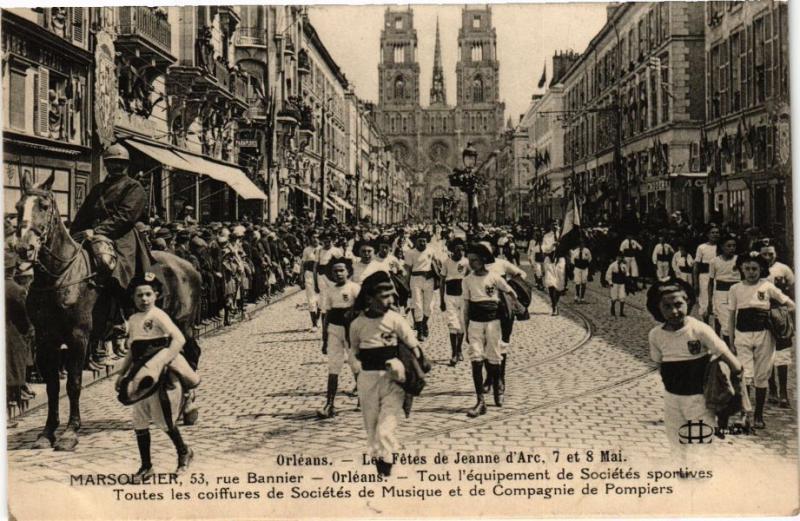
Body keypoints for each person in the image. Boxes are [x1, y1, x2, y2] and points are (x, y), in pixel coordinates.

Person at [70, 142, 151, 365]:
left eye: (120, 164)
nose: (115, 167)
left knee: (112, 270)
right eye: (112, 163)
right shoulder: (97, 189)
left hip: (121, 237)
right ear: (106, 164)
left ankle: (117, 318)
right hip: (92, 235)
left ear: (126, 165)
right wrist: (73, 233)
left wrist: (96, 231)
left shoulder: (133, 188)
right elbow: (83, 213)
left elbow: (126, 217)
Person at [115, 272, 198, 479]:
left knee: (164, 418)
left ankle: (184, 451)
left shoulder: (158, 315)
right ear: (133, 298)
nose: (144, 299)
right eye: (139, 295)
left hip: (159, 375)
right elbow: (132, 350)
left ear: (156, 295)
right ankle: (146, 466)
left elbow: (178, 339)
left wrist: (163, 360)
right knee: (139, 419)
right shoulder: (133, 319)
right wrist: (121, 374)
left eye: (148, 294)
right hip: (139, 372)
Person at [647, 279, 742, 454]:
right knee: (676, 447)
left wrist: (731, 389)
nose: (674, 311)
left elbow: (734, 363)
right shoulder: (655, 335)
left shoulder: (699, 329)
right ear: (657, 308)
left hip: (699, 400)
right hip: (672, 399)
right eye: (667, 306)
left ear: (688, 302)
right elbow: (661, 366)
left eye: (678, 304)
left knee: (701, 449)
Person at [349, 271, 421, 476]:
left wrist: (410, 367)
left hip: (394, 381)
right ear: (370, 298)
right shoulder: (357, 324)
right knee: (372, 428)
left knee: (385, 428)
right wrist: (358, 368)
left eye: (392, 295)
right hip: (368, 380)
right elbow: (353, 351)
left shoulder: (396, 320)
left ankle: (387, 468)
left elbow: (414, 346)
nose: (390, 300)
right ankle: (382, 468)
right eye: (384, 295)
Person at [729, 252, 795, 429]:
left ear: (761, 269)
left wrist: (778, 315)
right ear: (741, 269)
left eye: (755, 269)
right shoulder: (735, 289)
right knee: (744, 375)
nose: (751, 272)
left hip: (764, 335)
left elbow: (790, 304)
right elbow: (731, 316)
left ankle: (758, 415)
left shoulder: (766, 286)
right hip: (742, 334)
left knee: (761, 375)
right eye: (747, 268)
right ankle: (745, 414)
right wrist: (731, 338)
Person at [462, 243, 517, 416]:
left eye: (475, 260)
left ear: (484, 260)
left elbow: (511, 293)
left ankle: (497, 385)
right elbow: (465, 307)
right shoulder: (467, 280)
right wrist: (465, 330)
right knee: (476, 359)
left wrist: (511, 309)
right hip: (475, 324)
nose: (471, 264)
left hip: (493, 323)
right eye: (469, 260)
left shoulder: (494, 277)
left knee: (494, 358)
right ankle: (480, 401)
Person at [318, 256, 360, 419]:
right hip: (335, 330)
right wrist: (324, 338)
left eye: (341, 270)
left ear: (348, 271)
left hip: (352, 331)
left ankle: (363, 398)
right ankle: (330, 403)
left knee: (355, 364)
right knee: (333, 366)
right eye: (335, 271)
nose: (338, 274)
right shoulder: (330, 291)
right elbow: (326, 315)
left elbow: (362, 311)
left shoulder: (354, 288)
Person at [760, 240, 795, 408]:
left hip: (780, 312)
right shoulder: (756, 270)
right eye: (764, 254)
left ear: (776, 254)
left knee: (783, 353)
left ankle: (783, 393)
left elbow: (793, 289)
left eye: (771, 254)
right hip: (762, 313)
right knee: (766, 352)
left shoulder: (783, 269)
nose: (767, 257)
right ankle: (772, 389)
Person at [439, 237, 469, 366]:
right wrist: (441, 300)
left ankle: (459, 349)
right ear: (453, 250)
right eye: (457, 250)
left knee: (462, 324)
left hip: (463, 296)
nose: (460, 252)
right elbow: (441, 281)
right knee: (453, 324)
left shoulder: (466, 263)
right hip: (450, 296)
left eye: (462, 250)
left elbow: (470, 280)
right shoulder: (446, 262)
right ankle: (453, 353)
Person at [706, 234, 740, 344]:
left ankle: (735, 346)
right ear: (721, 247)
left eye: (734, 246)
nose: (732, 248)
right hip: (721, 294)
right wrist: (710, 301)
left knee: (736, 321)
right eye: (728, 246)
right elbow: (711, 282)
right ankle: (727, 348)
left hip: (737, 293)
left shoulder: (739, 260)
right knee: (725, 323)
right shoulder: (714, 261)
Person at [404, 231, 437, 341]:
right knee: (417, 304)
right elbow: (407, 270)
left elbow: (436, 265)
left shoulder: (431, 251)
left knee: (429, 306)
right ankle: (420, 331)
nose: (422, 243)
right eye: (420, 241)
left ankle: (423, 324)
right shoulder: (410, 253)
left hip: (429, 279)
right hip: (416, 279)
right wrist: (406, 284)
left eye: (424, 241)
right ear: (415, 241)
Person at [693, 226, 720, 320]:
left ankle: (717, 327)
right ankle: (706, 322)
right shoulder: (702, 247)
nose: (715, 234)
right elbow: (696, 265)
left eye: (717, 232)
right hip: (705, 276)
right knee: (705, 299)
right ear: (708, 234)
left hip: (718, 276)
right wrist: (695, 282)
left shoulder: (721, 247)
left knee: (717, 299)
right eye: (713, 232)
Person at [301, 234, 321, 332]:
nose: (315, 240)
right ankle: (314, 324)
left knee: (321, 301)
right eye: (313, 238)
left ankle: (317, 318)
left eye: (317, 238)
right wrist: (301, 277)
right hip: (309, 275)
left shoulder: (322, 249)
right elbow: (303, 264)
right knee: (311, 299)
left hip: (320, 275)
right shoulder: (306, 250)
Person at [543, 245, 567, 315]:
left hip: (559, 265)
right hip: (550, 264)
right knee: (551, 285)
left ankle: (555, 303)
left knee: (558, 287)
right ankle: (554, 306)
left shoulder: (562, 259)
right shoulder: (549, 238)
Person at [606, 252, 629, 317]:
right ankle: (612, 309)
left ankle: (621, 312)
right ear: (616, 258)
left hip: (622, 283)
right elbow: (608, 274)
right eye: (618, 257)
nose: (619, 258)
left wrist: (626, 275)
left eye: (621, 257)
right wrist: (610, 282)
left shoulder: (623, 265)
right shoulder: (612, 265)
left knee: (622, 297)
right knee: (614, 297)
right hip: (615, 283)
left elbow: (627, 273)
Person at [570, 236, 592, 303]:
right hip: (577, 268)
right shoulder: (575, 251)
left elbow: (590, 258)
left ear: (584, 244)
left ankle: (582, 297)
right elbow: (572, 260)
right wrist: (577, 265)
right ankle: (576, 295)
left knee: (584, 282)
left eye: (582, 243)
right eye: (580, 244)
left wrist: (585, 264)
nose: (581, 245)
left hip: (584, 268)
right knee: (577, 282)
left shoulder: (587, 250)